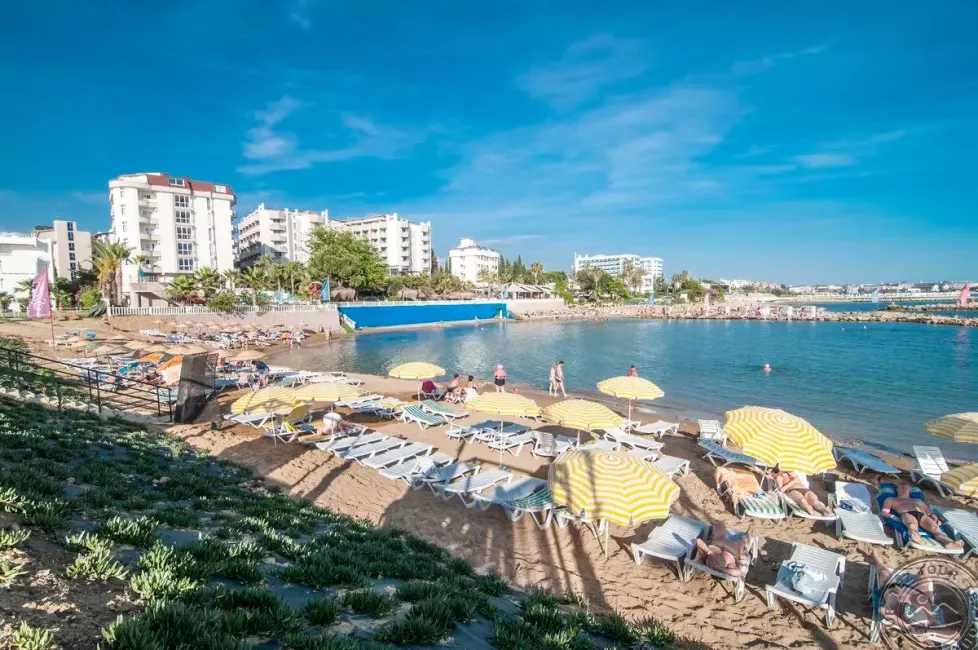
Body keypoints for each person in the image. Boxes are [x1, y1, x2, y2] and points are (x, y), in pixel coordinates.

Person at [881, 484, 964, 549]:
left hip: (922, 515)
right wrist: (893, 517)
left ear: (909, 490)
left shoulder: (918, 500)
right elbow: (884, 512)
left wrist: (934, 517)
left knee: (935, 528)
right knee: (911, 525)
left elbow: (929, 513)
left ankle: (948, 543)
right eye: (901, 487)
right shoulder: (891, 499)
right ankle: (917, 538)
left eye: (906, 487)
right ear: (896, 489)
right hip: (906, 513)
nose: (903, 489)